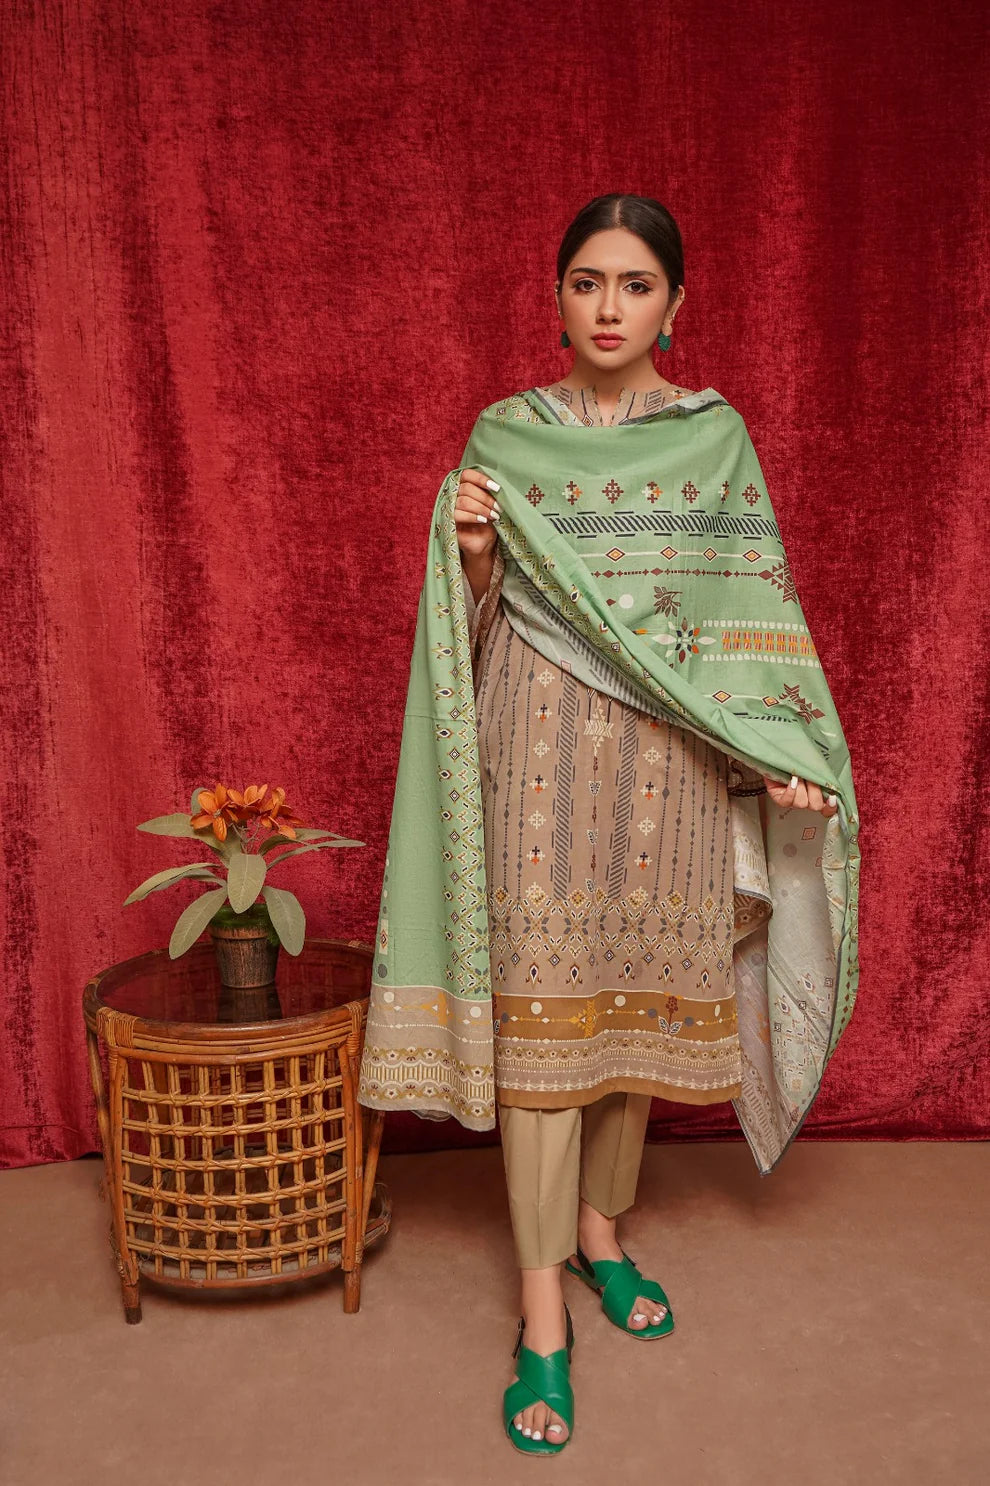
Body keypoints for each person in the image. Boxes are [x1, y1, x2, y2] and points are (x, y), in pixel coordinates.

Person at [357, 193, 860, 1457]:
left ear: (675, 304)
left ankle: (600, 1233)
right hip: (533, 749)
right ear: (557, 296)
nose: (609, 306)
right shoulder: (507, 436)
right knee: (543, 1023)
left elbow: (744, 620)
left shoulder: (712, 441)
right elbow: (474, 620)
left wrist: (782, 756)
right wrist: (475, 553)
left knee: (633, 1009)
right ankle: (541, 1311)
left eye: (635, 285)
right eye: (587, 282)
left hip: (666, 765)